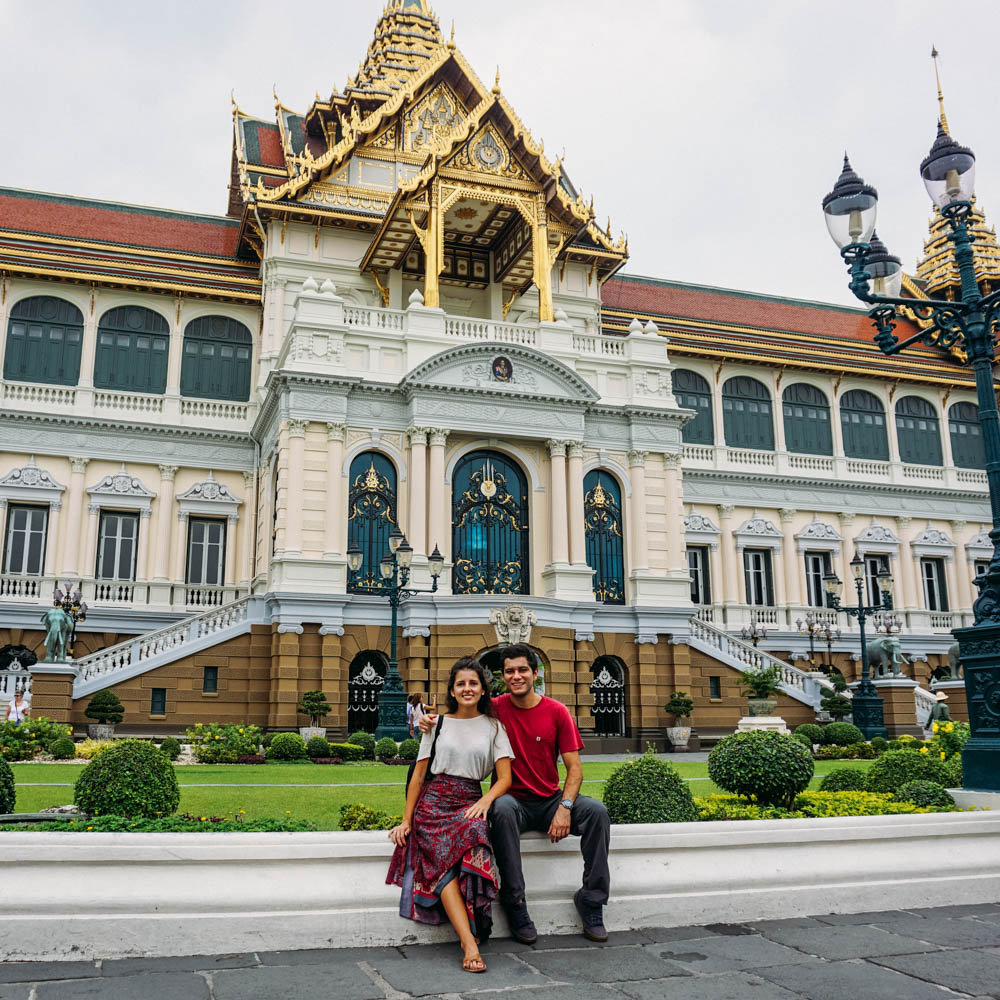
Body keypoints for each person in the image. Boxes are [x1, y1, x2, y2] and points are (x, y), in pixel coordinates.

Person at [420, 643, 611, 945]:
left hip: (550, 801)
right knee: (503, 809)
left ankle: (592, 899)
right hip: (512, 801)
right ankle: (515, 903)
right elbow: (460, 713)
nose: (516, 676)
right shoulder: (495, 709)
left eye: (523, 670)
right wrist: (428, 722)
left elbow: (575, 769)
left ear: (536, 673)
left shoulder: (557, 712)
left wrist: (565, 806)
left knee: (597, 813)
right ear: (503, 676)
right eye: (510, 671)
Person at [387, 657, 513, 974]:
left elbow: (504, 778)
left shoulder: (494, 727)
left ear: (483, 689)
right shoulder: (437, 724)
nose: (467, 688)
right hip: (433, 804)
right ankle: (468, 943)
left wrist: (485, 801)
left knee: (476, 843)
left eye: (473, 683)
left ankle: (474, 924)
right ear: (452, 691)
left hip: (471, 799)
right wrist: (406, 820)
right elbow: (418, 777)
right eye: (461, 684)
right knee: (443, 861)